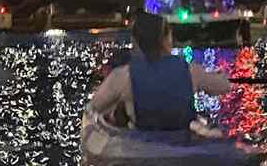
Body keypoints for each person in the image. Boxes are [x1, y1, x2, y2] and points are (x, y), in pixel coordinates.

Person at [88, 13, 230, 130]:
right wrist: (220, 74)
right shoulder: (190, 70)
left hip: (141, 152)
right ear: (165, 40)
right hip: (183, 150)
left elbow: (94, 107)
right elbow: (224, 86)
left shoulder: (122, 76)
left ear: (136, 41)